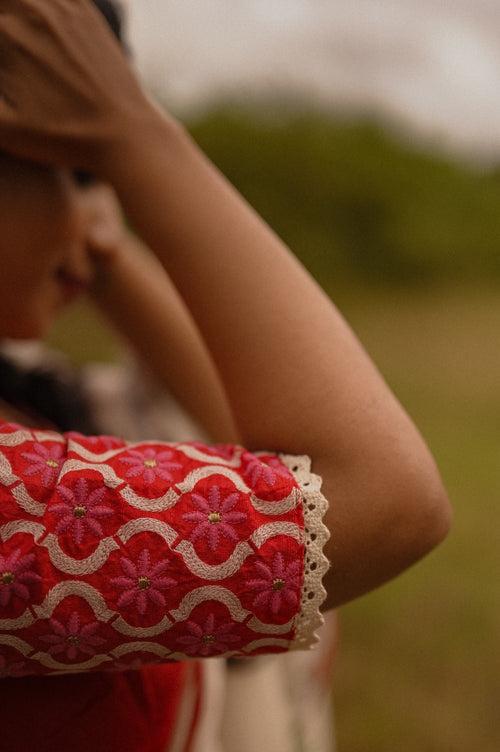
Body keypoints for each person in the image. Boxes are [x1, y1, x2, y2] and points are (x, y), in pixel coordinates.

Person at [0, 1, 452, 751]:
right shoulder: (20, 500)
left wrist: (101, 235)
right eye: (77, 173)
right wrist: (137, 139)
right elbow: (388, 498)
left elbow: (246, 438)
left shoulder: (33, 412)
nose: (107, 225)